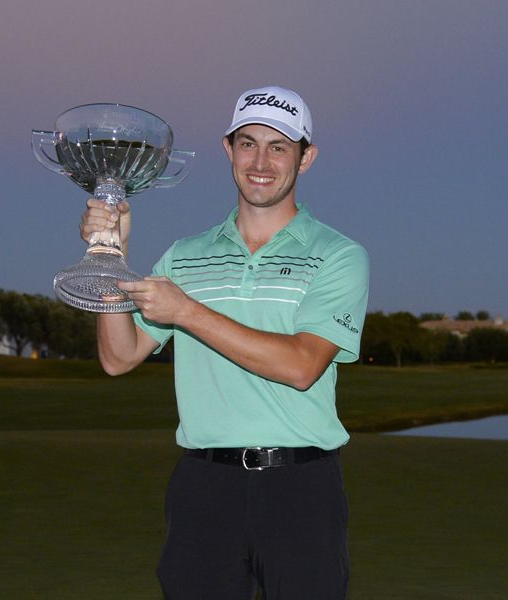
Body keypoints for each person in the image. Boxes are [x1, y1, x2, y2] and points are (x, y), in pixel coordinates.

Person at [81, 86, 370, 600]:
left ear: (307, 158)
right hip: (204, 487)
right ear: (227, 150)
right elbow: (118, 357)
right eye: (248, 143)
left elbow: (303, 365)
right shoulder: (184, 257)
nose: (261, 161)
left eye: (279, 147)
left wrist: (188, 312)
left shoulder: (338, 255)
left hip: (300, 487)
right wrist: (111, 251)